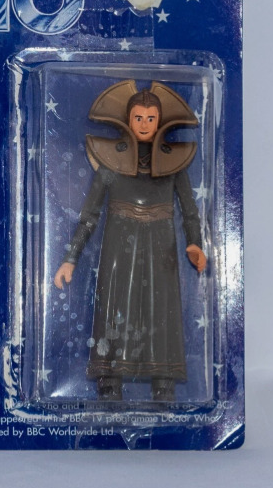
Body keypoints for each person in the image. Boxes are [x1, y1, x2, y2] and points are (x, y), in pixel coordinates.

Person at [54, 81, 206, 402]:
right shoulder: (111, 160)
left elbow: (189, 211)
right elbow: (89, 215)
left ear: (160, 120)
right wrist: (70, 258)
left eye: (151, 118)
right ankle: (109, 383)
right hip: (119, 241)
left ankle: (163, 385)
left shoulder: (174, 163)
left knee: (161, 308)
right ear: (128, 119)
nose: (145, 124)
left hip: (161, 243)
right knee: (114, 303)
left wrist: (194, 244)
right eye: (139, 117)